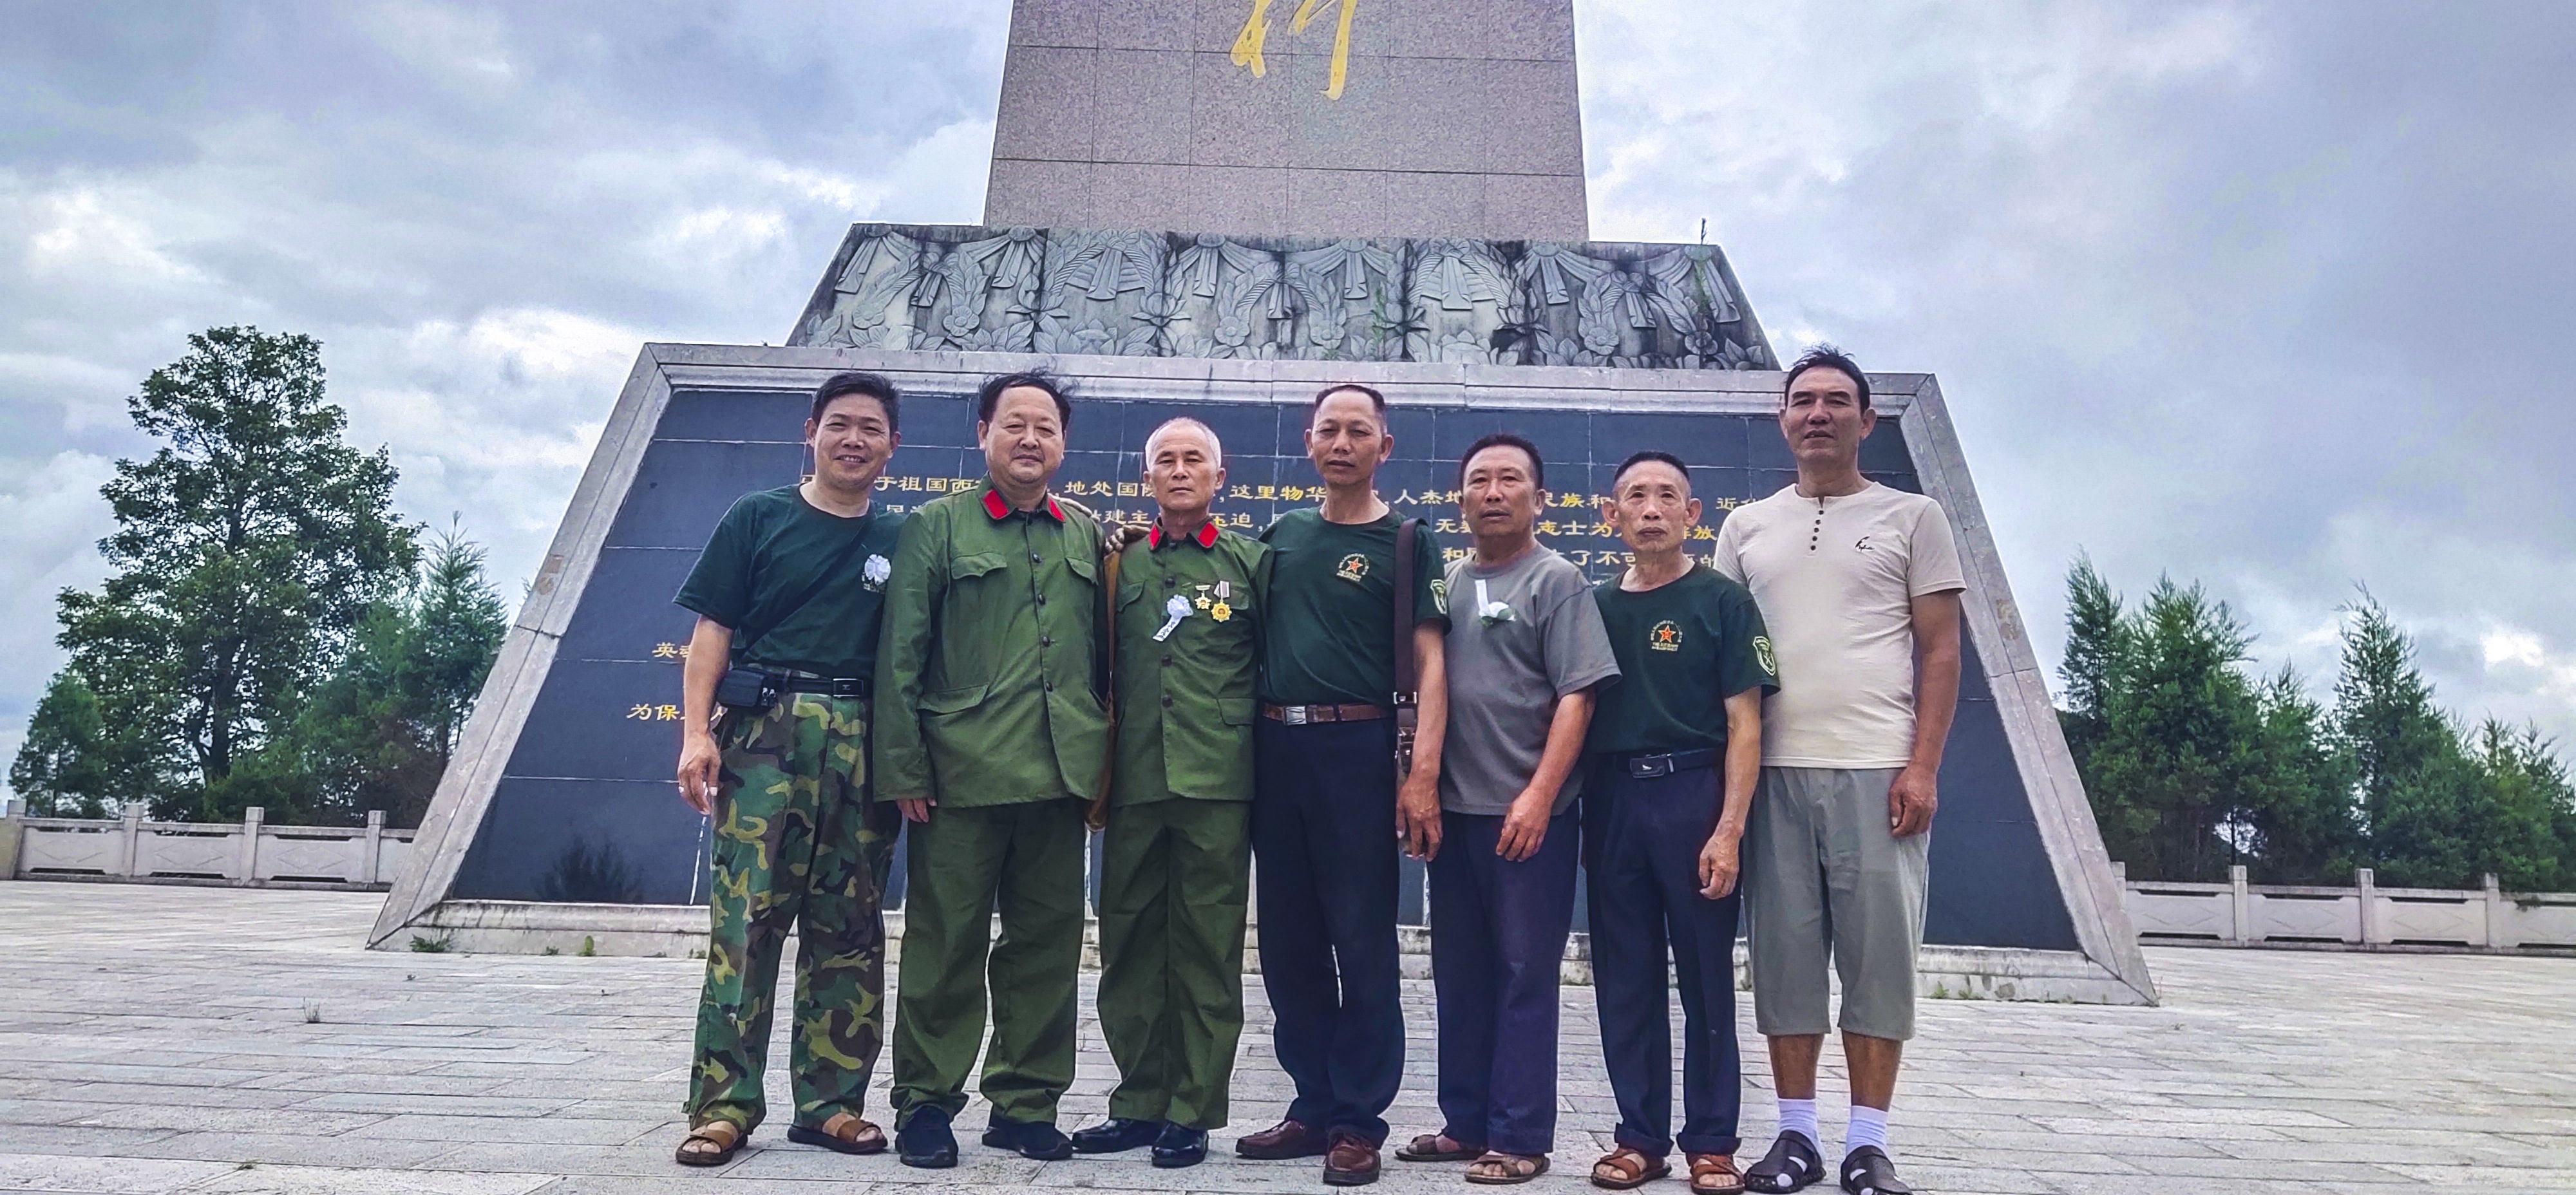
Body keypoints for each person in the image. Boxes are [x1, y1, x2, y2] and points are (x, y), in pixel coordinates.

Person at [1714, 346, 1964, 1195]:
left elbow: (1940, 651)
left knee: (1876, 961)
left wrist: (1922, 764)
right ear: (1783, 418)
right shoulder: (1745, 527)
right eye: (1803, 400)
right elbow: (1724, 664)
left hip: (1876, 770)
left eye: (1836, 400)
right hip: (1775, 773)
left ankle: (1868, 1142)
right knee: (1785, 962)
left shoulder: (1914, 517)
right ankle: (1795, 1137)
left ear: (1867, 419)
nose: (1817, 413)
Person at [668, 370, 910, 1166]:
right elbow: (714, 630)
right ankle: (723, 1106)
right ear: (809, 431)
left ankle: (832, 1103)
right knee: (745, 925)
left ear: (892, 446)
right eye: (839, 423)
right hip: (764, 735)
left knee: (849, 927)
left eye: (870, 428)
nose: (853, 440)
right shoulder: (758, 518)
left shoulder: (902, 538)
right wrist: (695, 733)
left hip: (861, 741)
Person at [873, 371, 1112, 1169]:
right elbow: (901, 653)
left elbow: (1100, 661)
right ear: (983, 434)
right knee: (945, 944)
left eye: (1045, 426)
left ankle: (1025, 1100)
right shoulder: (937, 527)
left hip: (1057, 775)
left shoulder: (1083, 533)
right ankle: (927, 1103)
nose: (1030, 439)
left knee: (1046, 946)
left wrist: (1101, 769)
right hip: (958, 777)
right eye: (1014, 424)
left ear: (1062, 442)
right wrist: (904, 763)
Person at [1236, 382, 1449, 1187]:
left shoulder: (1405, 541)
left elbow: (1432, 663)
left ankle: (1359, 1120)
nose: (1342, 442)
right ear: (1308, 442)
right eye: (1329, 429)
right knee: (1288, 940)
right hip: (1274, 747)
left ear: (1383, 447)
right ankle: (1311, 1105)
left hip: (1359, 747)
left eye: (1359, 430)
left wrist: (1421, 772)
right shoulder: (1281, 536)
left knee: (1361, 940)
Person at [1394, 432, 1618, 1186]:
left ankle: (1520, 1134)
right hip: (1453, 813)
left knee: (1524, 973)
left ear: (1538, 497)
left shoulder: (1557, 579)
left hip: (1527, 817)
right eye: (1479, 481)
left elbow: (1578, 695)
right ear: (1459, 499)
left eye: (1509, 480)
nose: (1493, 492)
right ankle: (1465, 1123)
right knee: (1459, 970)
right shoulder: (1449, 584)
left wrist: (1541, 795)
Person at [1071, 418, 1272, 1170]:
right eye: (1166, 460)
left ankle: (1191, 1108)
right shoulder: (1119, 563)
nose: (1180, 470)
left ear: (1221, 477)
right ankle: (1138, 1100)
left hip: (1218, 782)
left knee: (1205, 948)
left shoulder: (1251, 562)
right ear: (1146, 477)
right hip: (1133, 780)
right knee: (1126, 942)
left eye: (1195, 459)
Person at [1582, 451, 1778, 1195]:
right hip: (1613, 801)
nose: (1653, 508)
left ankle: (1711, 1141)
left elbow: (1746, 724)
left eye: (1669, 495)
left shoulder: (1722, 601)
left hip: (1694, 794)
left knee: (1704, 980)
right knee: (1624, 977)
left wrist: (1728, 828)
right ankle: (1639, 1137)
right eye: (1636, 496)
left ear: (1693, 515)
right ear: (1613, 515)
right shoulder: (1595, 605)